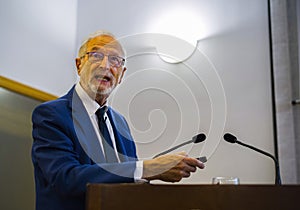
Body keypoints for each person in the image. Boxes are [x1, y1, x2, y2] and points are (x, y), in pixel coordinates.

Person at [31, 30, 205, 210]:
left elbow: (128, 184)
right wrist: (149, 168)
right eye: (96, 55)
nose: (106, 65)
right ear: (79, 65)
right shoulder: (52, 114)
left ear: (121, 74)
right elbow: (66, 178)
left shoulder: (120, 123)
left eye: (115, 60)